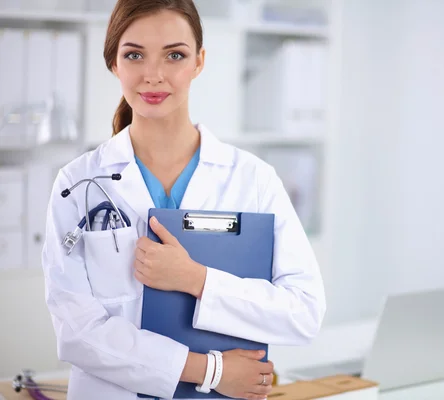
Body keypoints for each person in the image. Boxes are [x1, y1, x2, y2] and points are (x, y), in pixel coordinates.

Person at [40, 0, 326, 399]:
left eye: (175, 55)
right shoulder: (77, 183)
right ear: (113, 64)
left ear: (199, 62)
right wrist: (210, 370)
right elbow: (77, 332)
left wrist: (197, 279)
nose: (154, 75)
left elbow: (303, 313)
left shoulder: (254, 179)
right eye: (134, 54)